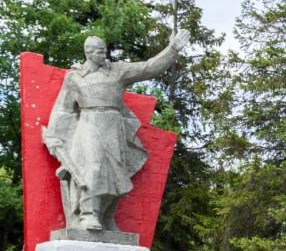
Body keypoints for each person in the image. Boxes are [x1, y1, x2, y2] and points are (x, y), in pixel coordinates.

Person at [43, 30, 190, 231]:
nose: (104, 55)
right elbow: (64, 109)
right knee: (93, 167)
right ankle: (89, 214)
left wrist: (172, 49)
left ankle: (106, 217)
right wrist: (54, 135)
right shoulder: (74, 77)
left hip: (113, 125)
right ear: (88, 53)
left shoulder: (117, 71)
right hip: (88, 123)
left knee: (117, 171)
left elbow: (148, 68)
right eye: (99, 52)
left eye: (105, 51)